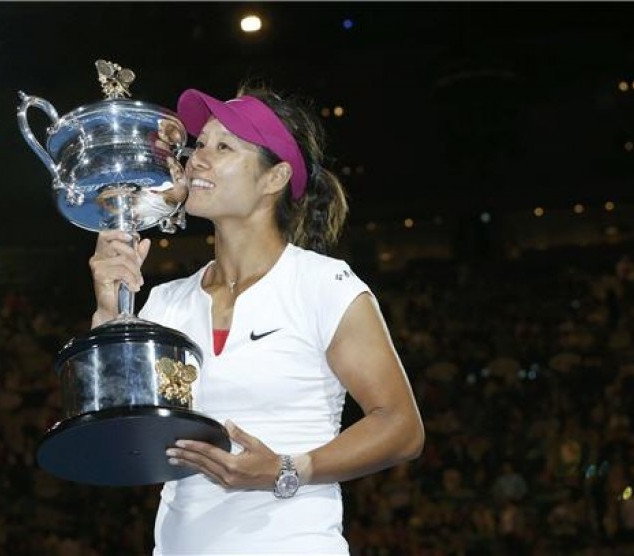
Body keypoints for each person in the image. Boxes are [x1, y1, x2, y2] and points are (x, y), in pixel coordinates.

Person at [89, 83, 425, 555]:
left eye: (224, 147)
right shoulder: (164, 302)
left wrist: (288, 469)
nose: (198, 159)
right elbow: (116, 431)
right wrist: (109, 308)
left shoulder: (323, 285)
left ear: (275, 178)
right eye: (200, 144)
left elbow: (402, 427)